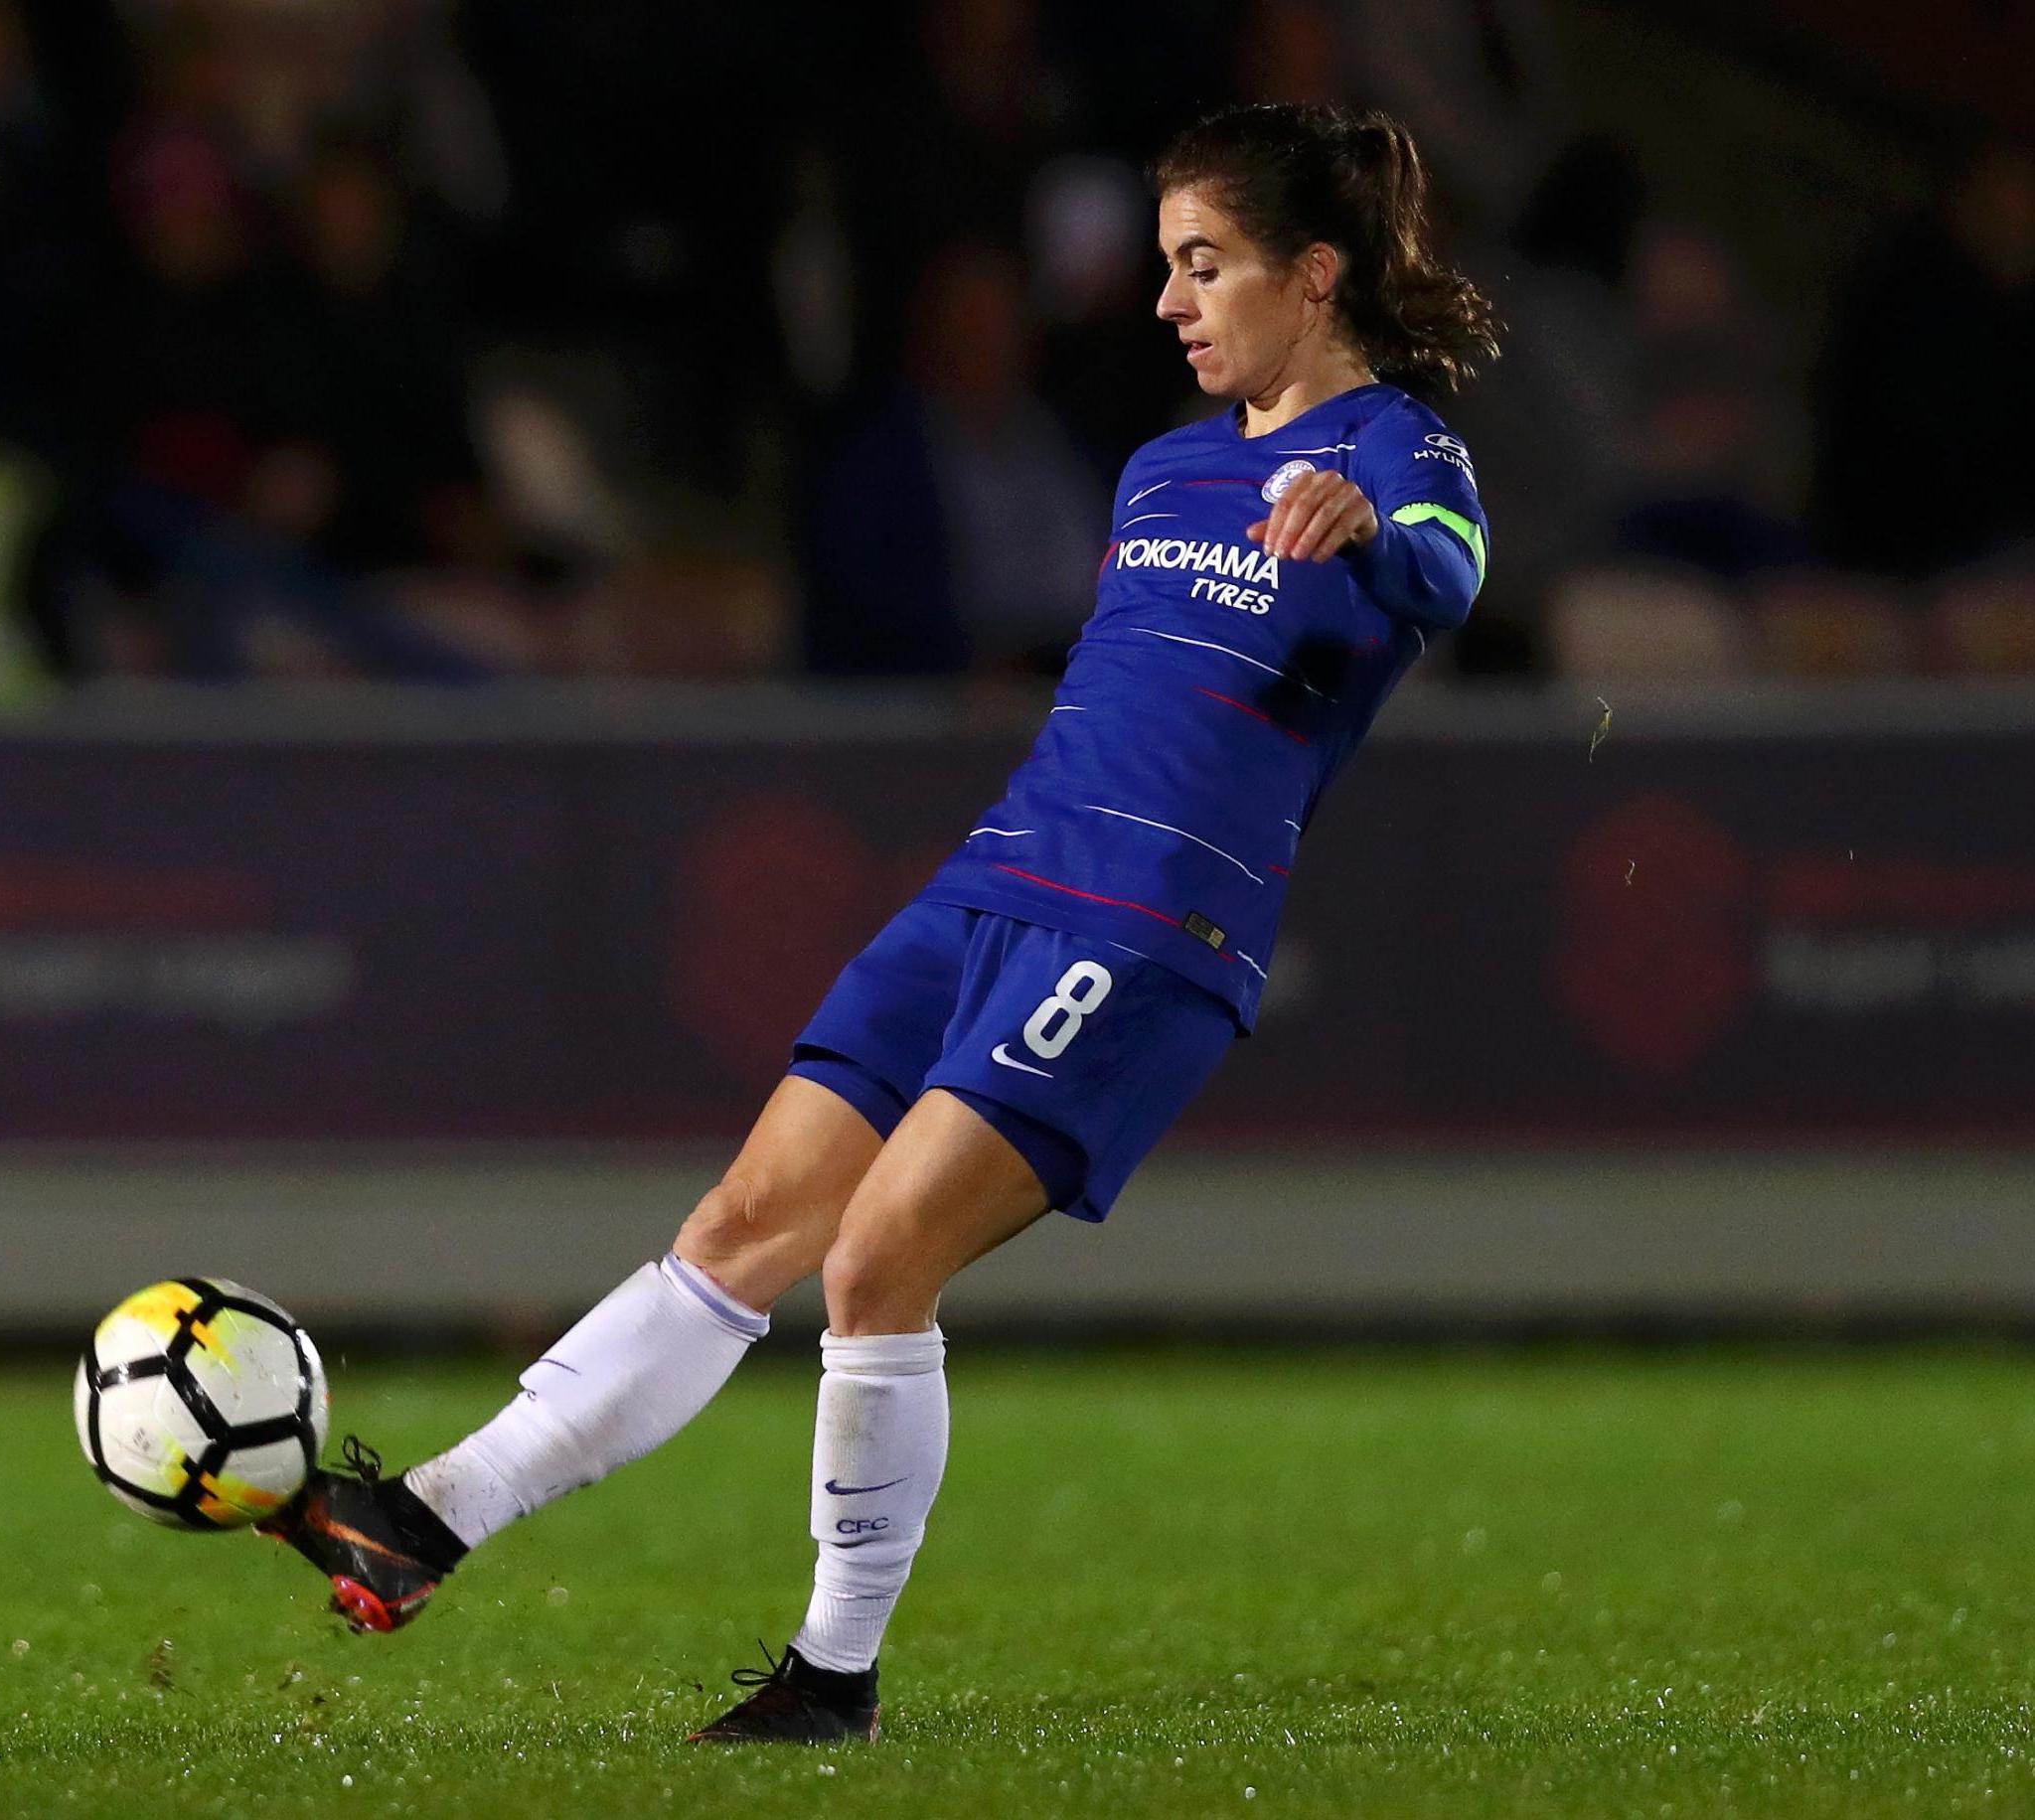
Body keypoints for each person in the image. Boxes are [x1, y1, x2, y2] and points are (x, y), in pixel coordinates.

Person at [259, 100, 1500, 1744]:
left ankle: (830, 1675)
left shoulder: (1393, 455)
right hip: (997, 878)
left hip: (1147, 929)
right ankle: (428, 1520)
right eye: (1164, 266)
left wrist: (1379, 540)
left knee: (873, 1260)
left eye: (1203, 265)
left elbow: (1454, 564)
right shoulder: (1159, 465)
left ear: (1315, 275)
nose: (1166, 301)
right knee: (739, 1225)